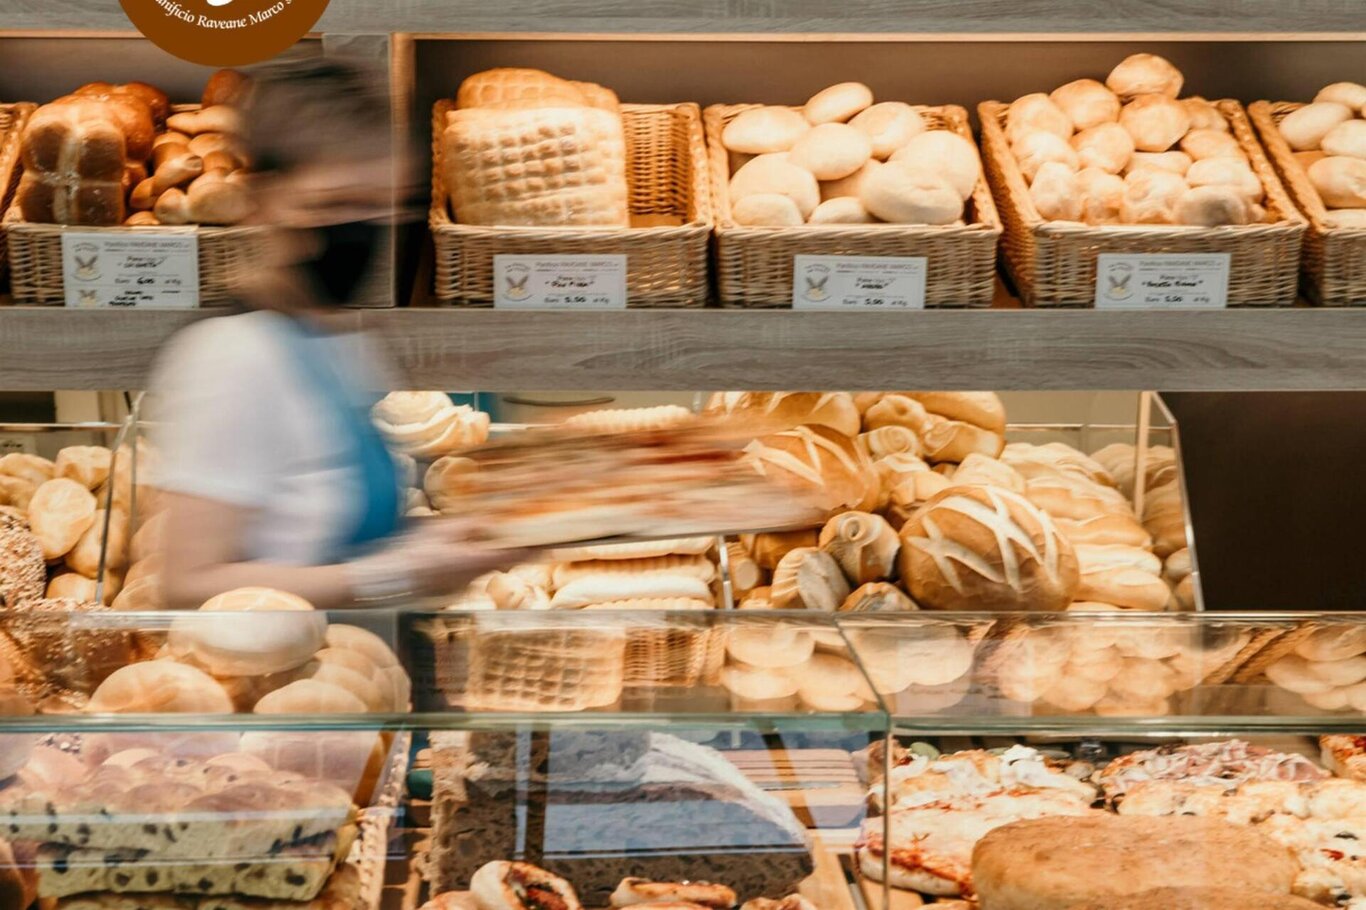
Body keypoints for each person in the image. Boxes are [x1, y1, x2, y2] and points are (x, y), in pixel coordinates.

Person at [147, 56, 517, 610]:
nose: (362, 231)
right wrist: (397, 575)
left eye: (381, 206)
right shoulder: (230, 357)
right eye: (336, 205)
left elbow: (329, 541)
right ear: (265, 198)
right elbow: (187, 584)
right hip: (277, 688)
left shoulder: (335, 337)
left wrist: (448, 544)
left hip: (350, 678)